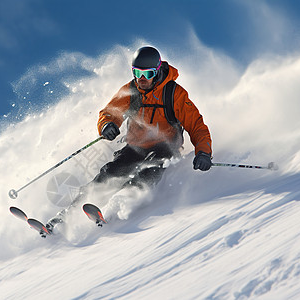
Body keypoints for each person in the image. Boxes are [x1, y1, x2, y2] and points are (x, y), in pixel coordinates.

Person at [46, 46, 212, 232]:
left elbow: (197, 126)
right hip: (135, 146)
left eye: (147, 74)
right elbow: (108, 113)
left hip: (165, 147)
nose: (142, 79)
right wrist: (107, 126)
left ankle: (116, 208)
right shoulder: (131, 90)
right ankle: (66, 216)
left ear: (157, 72)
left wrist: (203, 152)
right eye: (137, 73)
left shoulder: (174, 94)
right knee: (107, 174)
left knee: (149, 172)